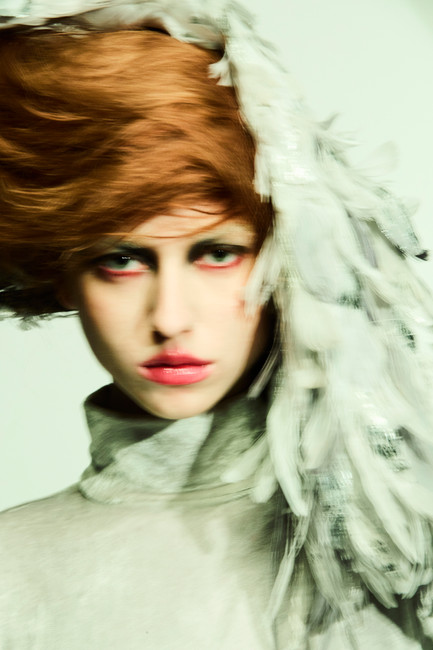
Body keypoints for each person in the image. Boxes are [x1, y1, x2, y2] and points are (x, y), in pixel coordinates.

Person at [1, 1, 433, 648]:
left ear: (286, 256)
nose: (170, 318)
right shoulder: (12, 571)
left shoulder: (408, 537)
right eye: (121, 260)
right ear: (63, 273)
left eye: (217, 253)